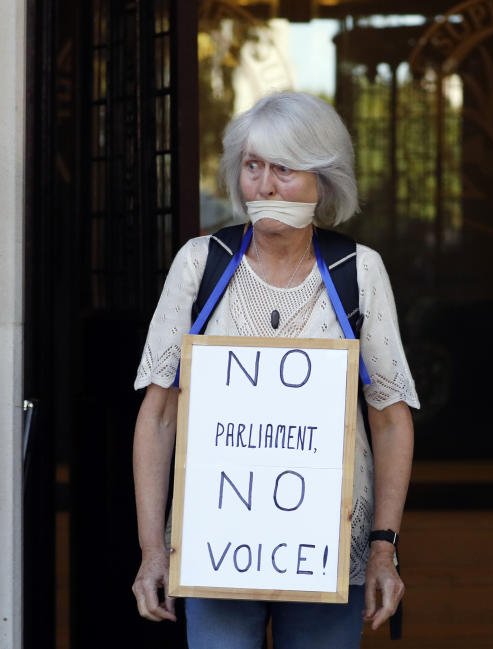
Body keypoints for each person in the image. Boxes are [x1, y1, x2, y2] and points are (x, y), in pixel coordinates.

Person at [131, 92, 418, 649]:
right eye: (253, 166)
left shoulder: (357, 272)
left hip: (331, 555)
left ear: (324, 179)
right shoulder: (200, 263)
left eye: (284, 169)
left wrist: (383, 547)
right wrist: (152, 551)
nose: (264, 186)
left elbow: (389, 417)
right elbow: (160, 413)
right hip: (216, 548)